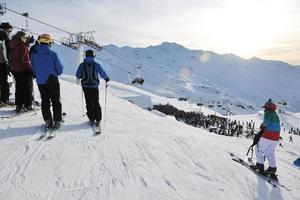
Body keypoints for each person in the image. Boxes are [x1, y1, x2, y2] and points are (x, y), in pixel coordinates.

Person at [30, 34, 63, 129]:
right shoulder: (53, 54)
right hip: (52, 79)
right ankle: (57, 120)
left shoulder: (33, 54)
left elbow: (33, 68)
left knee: (45, 100)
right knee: (56, 100)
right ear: (48, 42)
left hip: (41, 81)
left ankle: (48, 120)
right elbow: (60, 70)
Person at [76, 49, 109, 128]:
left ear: (86, 56)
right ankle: (98, 119)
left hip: (85, 87)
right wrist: (107, 78)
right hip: (94, 87)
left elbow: (78, 76)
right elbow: (102, 73)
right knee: (96, 102)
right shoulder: (97, 65)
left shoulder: (82, 65)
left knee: (89, 102)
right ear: (93, 56)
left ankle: (91, 118)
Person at [254, 99, 280, 180]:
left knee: (259, 149)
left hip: (267, 136)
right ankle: (272, 169)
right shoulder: (275, 114)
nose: (264, 109)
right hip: (275, 138)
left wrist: (262, 125)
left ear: (267, 107)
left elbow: (266, 122)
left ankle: (260, 165)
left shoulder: (268, 112)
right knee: (270, 152)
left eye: (265, 107)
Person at [9, 31, 33, 112]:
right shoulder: (21, 45)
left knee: (19, 87)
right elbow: (25, 59)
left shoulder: (12, 44)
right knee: (26, 87)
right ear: (21, 37)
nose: (26, 39)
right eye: (25, 38)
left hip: (15, 69)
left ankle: (19, 105)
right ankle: (28, 104)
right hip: (23, 69)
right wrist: (30, 69)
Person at [0, 22, 12, 106]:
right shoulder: (3, 35)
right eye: (9, 30)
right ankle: (4, 99)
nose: (9, 32)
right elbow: (5, 51)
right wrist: (8, 62)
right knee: (4, 81)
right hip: (2, 62)